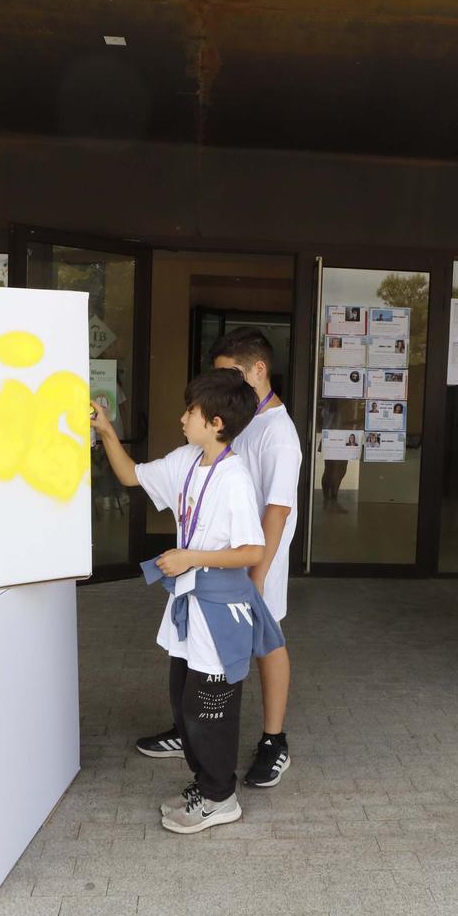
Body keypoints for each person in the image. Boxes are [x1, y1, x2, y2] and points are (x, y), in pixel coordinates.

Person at [91, 370, 280, 834]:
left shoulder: (234, 476)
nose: (181, 418)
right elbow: (131, 475)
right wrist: (105, 430)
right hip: (191, 606)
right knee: (184, 701)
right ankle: (206, 784)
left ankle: (221, 797)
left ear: (215, 422)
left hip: (220, 611)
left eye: (190, 411)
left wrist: (189, 556)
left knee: (209, 709)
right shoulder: (187, 459)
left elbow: (253, 551)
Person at [134, 329, 302, 788]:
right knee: (205, 650)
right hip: (223, 561)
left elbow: (278, 507)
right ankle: (190, 729)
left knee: (267, 642)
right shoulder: (241, 418)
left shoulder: (278, 433)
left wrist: (256, 575)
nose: (222, 383)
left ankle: (273, 740)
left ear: (257, 370)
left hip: (254, 563)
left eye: (230, 373)